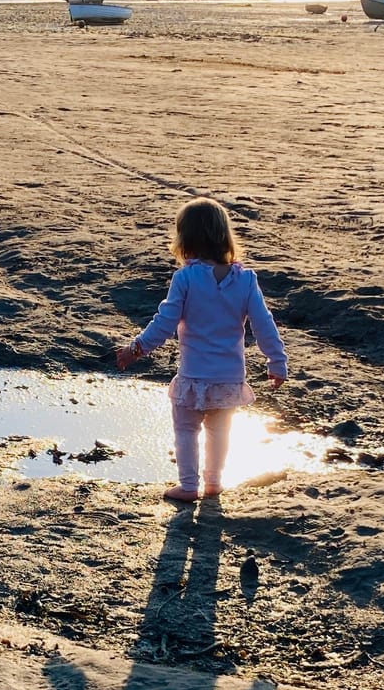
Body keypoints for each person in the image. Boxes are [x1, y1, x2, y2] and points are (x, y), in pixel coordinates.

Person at [115, 198, 288, 503]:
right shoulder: (245, 280)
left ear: (186, 239)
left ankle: (188, 485)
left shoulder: (186, 278)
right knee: (219, 431)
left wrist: (135, 349)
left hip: (193, 375)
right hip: (228, 378)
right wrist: (276, 361)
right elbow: (264, 324)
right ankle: (213, 482)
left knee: (186, 430)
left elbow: (164, 323)